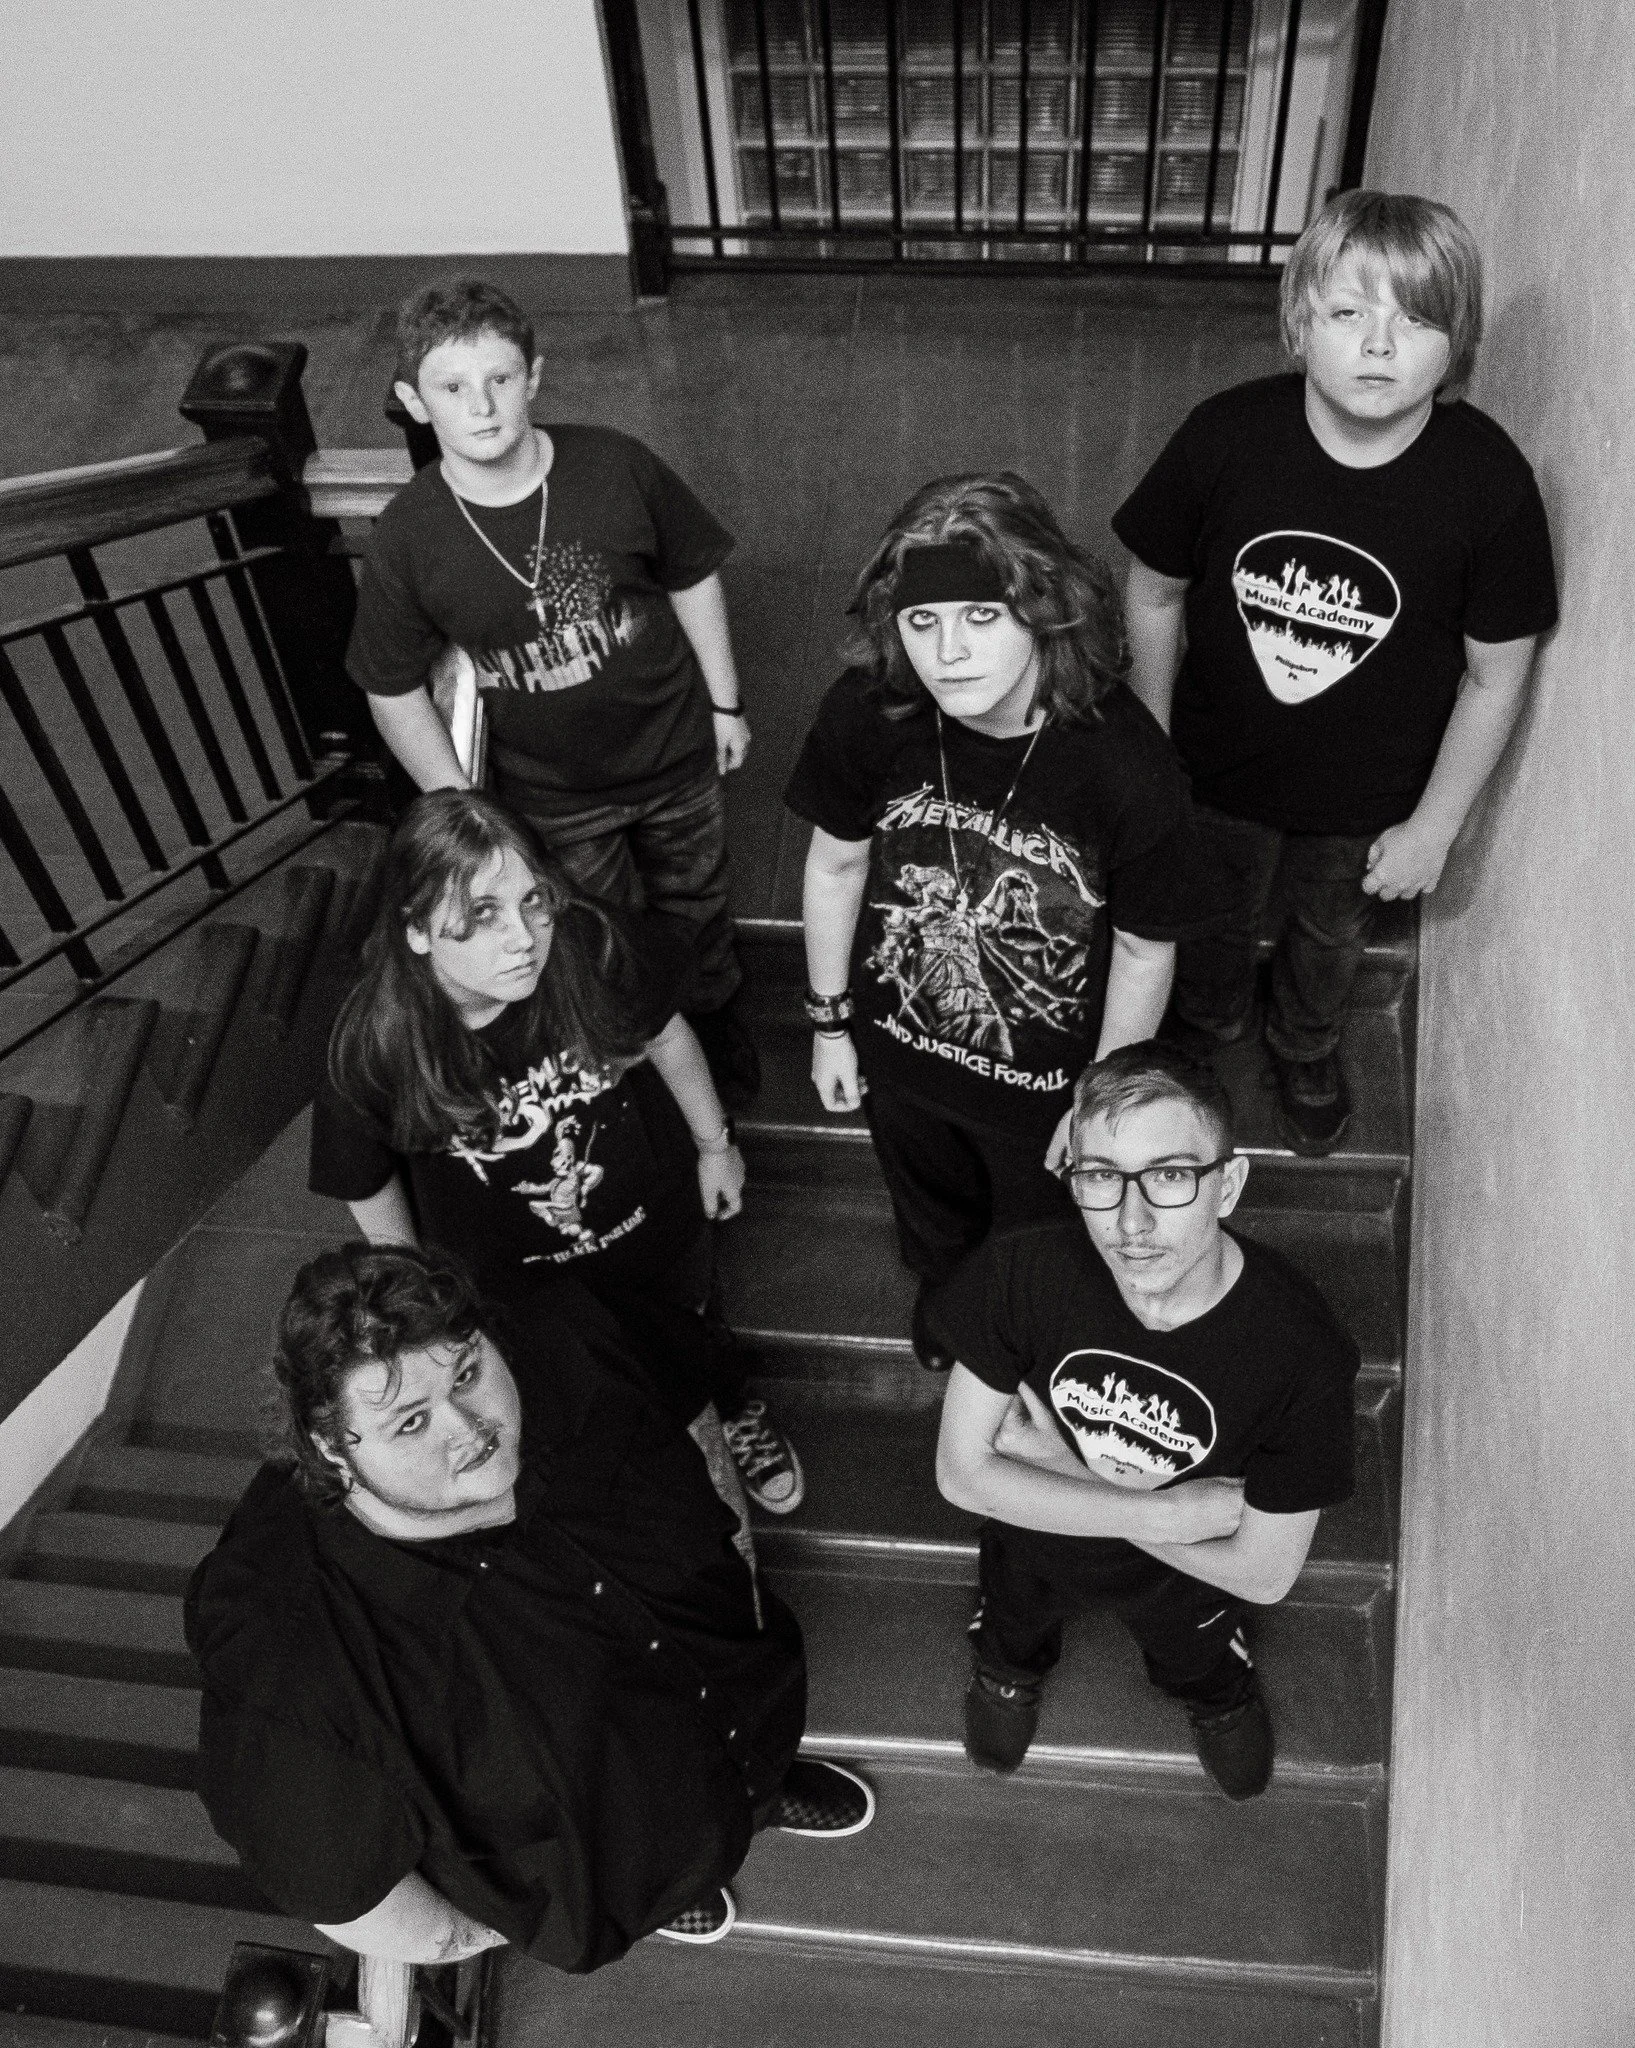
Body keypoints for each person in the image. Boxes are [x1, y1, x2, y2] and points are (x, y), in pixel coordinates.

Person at [184, 1245, 874, 1968]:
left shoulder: (567, 1339)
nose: (470, 1429)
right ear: (329, 1448)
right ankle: (664, 1897)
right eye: (411, 1423)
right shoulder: (292, 1663)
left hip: (741, 1709)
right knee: (646, 1873)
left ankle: (758, 1798)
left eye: (469, 1374)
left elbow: (686, 1395)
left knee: (742, 1769)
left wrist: (730, 1541)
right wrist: (530, 1919)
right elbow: (347, 1898)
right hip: (618, 1856)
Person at [1113, 190, 1558, 1153]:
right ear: (1298, 320)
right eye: (1347, 313)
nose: (1377, 346)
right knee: (1211, 911)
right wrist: (1150, 745)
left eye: (1416, 318)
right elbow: (1151, 592)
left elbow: (1496, 672)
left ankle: (1303, 1040)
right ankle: (1206, 1023)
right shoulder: (1226, 437)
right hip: (1213, 768)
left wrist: (1436, 826)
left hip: (1368, 802)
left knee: (1327, 934)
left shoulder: (1487, 485)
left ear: (1458, 344)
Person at [784, 473, 1216, 1373]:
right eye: (922, 622)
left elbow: (1142, 950)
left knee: (1038, 1244)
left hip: (1044, 1093)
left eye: (980, 617)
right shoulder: (867, 714)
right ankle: (951, 1319)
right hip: (900, 1063)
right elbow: (834, 864)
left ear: (1040, 611)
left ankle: (1018, 1344)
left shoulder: (1124, 766)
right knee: (932, 1228)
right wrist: (830, 1026)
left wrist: (1096, 1109)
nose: (948, 653)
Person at [309, 788, 803, 1516]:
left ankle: (733, 1410)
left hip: (653, 1230)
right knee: (575, 1386)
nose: (522, 938)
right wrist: (420, 1298)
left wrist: (713, 1146)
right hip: (515, 1284)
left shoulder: (589, 945)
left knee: (694, 1334)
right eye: (480, 916)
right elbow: (366, 1178)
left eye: (531, 901)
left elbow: (665, 1037)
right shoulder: (375, 1044)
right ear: (417, 930)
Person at [348, 276, 759, 1106]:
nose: (483, 407)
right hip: (550, 796)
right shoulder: (410, 536)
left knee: (698, 902)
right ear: (414, 403)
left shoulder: (615, 466)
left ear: (533, 375)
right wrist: (468, 809)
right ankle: (646, 1038)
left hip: (675, 753)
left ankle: (715, 1021)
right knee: (592, 932)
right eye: (452, 388)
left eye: (500, 379)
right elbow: (390, 688)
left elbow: (690, 573)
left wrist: (725, 702)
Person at [930, 1043, 1359, 1798]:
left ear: (1226, 1186)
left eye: (1168, 1177)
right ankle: (1007, 1674)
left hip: (1178, 1583)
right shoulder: (1023, 1271)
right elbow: (963, 1475)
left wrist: (1057, 1469)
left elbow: (1262, 1575)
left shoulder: (1300, 1350)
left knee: (1195, 1655)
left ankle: (1216, 1698)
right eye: (1100, 1177)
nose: (1130, 1221)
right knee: (1012, 1622)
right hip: (1037, 1538)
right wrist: (1170, 1514)